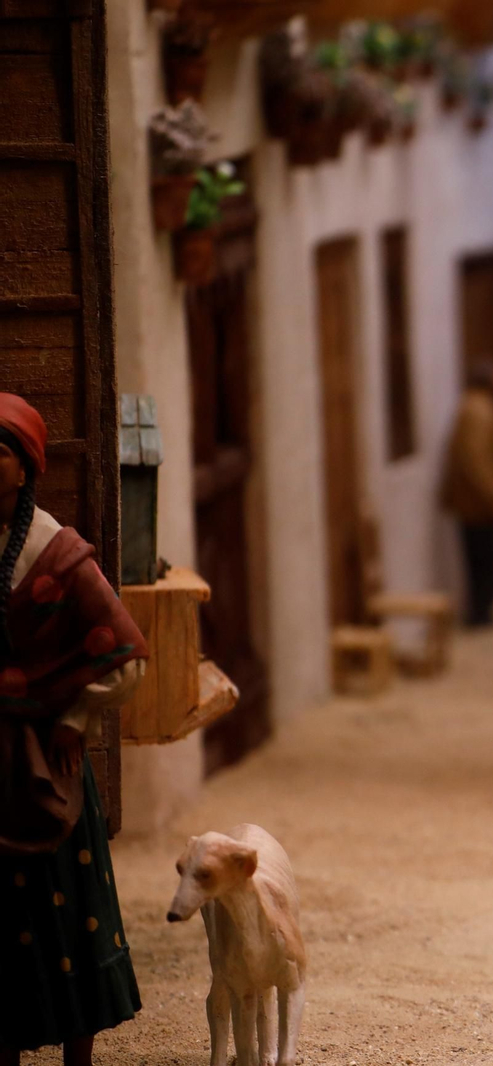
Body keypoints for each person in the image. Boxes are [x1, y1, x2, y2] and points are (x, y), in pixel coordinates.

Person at [0, 394, 149, 1066]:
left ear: (25, 466)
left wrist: (78, 716)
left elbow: (128, 654)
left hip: (48, 755)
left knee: (69, 907)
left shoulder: (59, 554)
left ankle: (78, 1056)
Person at [441, 362, 493, 627]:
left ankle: (481, 611)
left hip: (474, 502)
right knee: (489, 558)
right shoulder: (478, 409)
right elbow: (475, 460)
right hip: (478, 504)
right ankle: (480, 613)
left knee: (483, 558)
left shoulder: (475, 406)